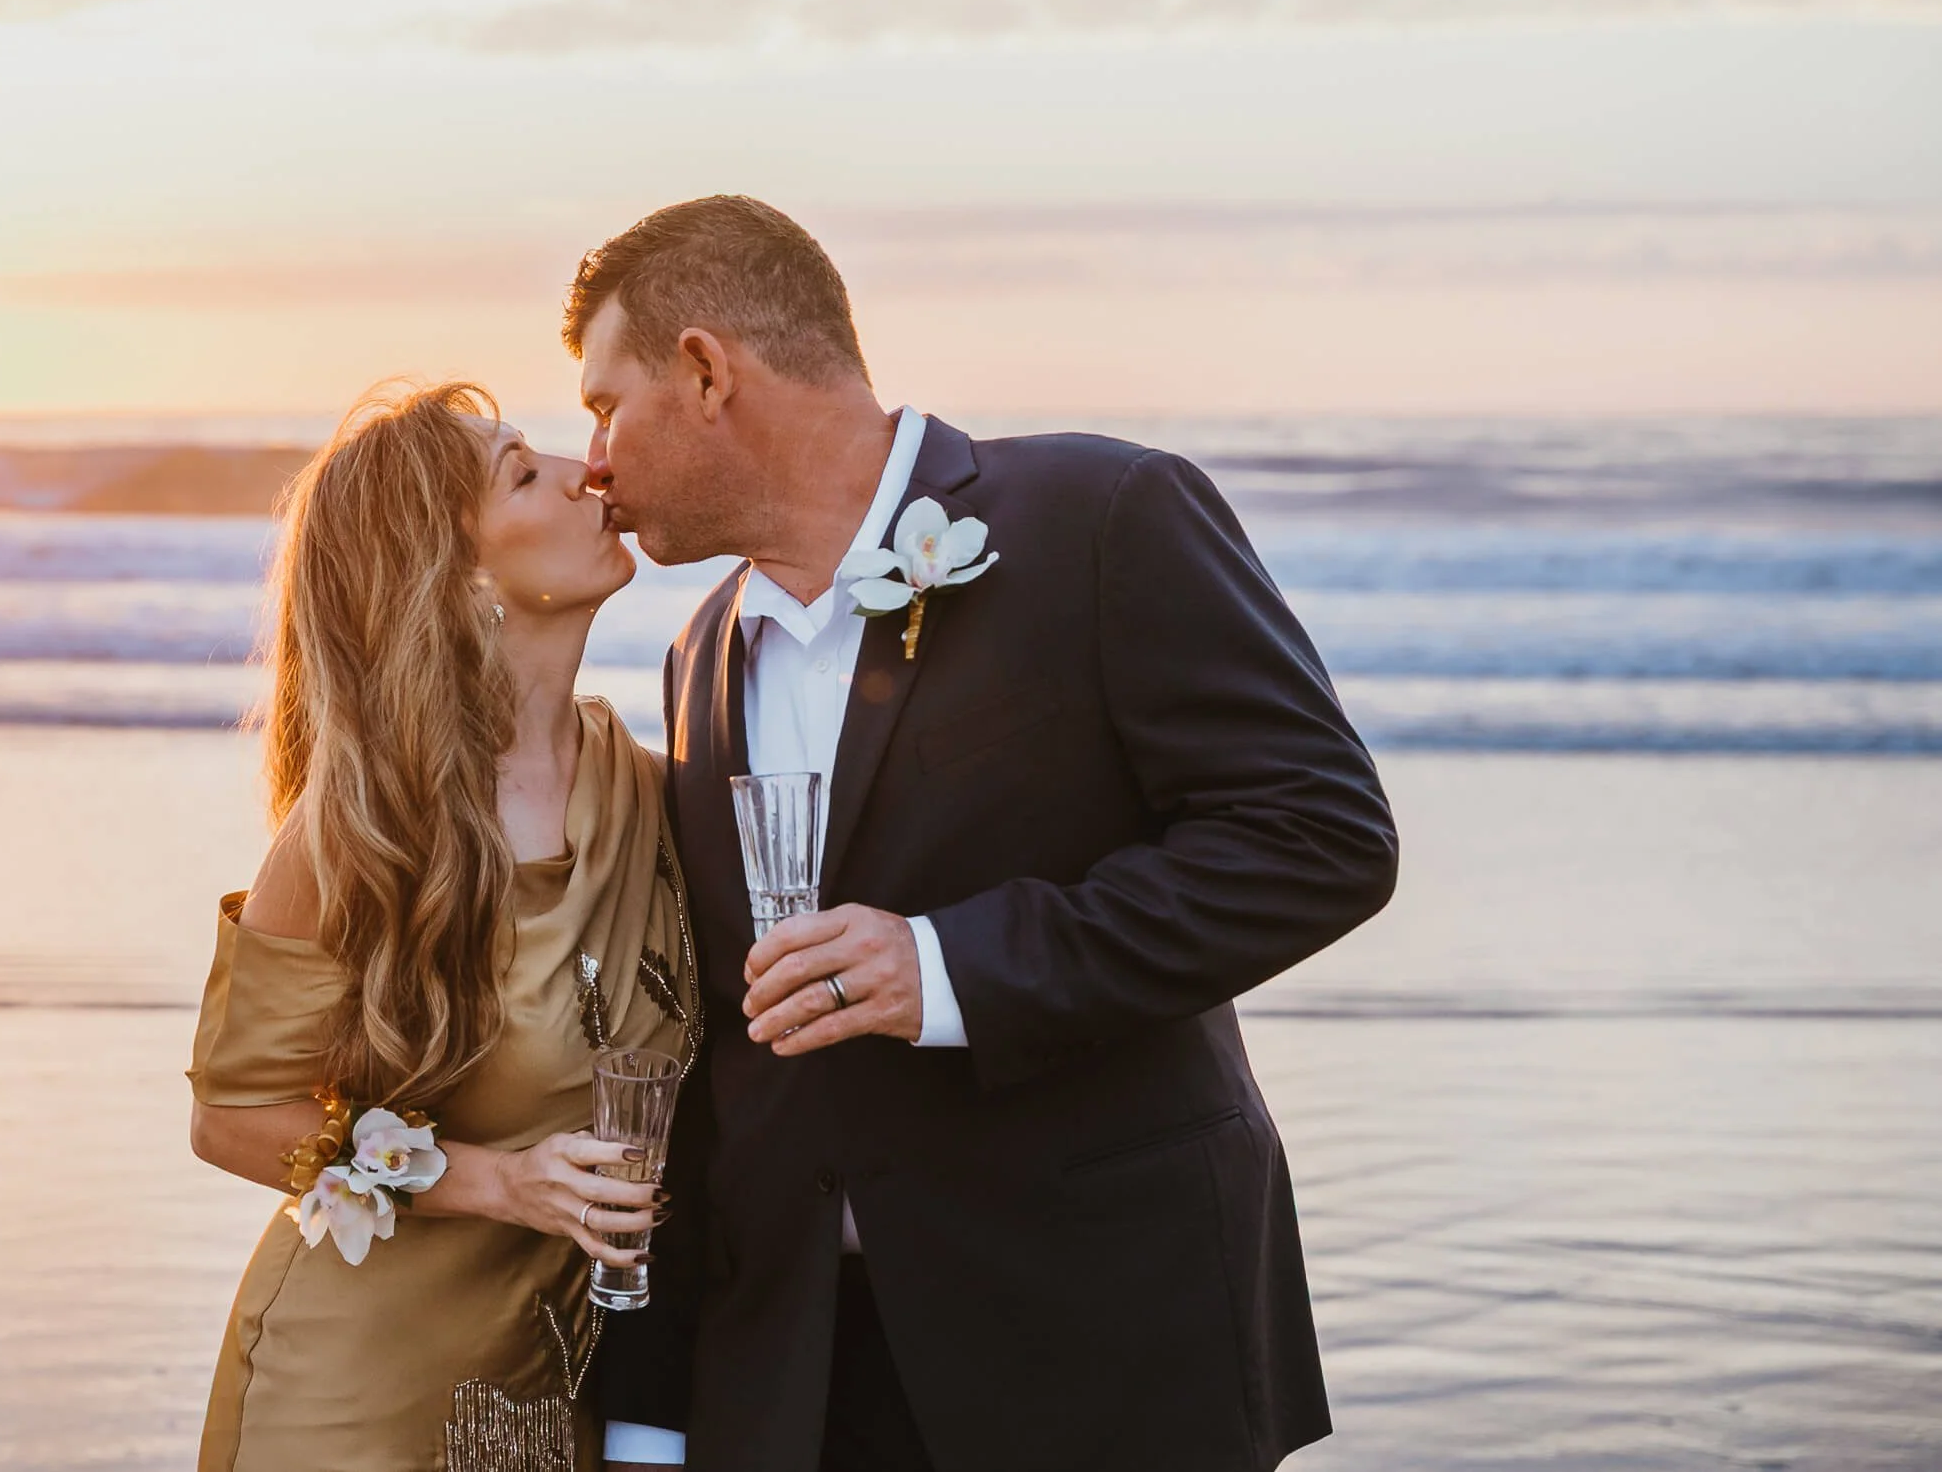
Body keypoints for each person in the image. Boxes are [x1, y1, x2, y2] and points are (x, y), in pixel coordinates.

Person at [580, 198, 1400, 1472]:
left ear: (703, 372)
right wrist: (655, 1407)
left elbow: (1317, 835)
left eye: (603, 402)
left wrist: (950, 966)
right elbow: (712, 1055)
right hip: (798, 1384)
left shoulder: (1101, 513)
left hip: (1093, 1339)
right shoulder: (698, 660)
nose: (591, 459)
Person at [186, 383, 701, 1472]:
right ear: (455, 574)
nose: (586, 469)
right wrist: (498, 1180)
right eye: (522, 471)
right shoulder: (362, 826)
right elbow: (232, 1117)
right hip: (360, 1399)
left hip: (559, 1384)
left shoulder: (656, 792)